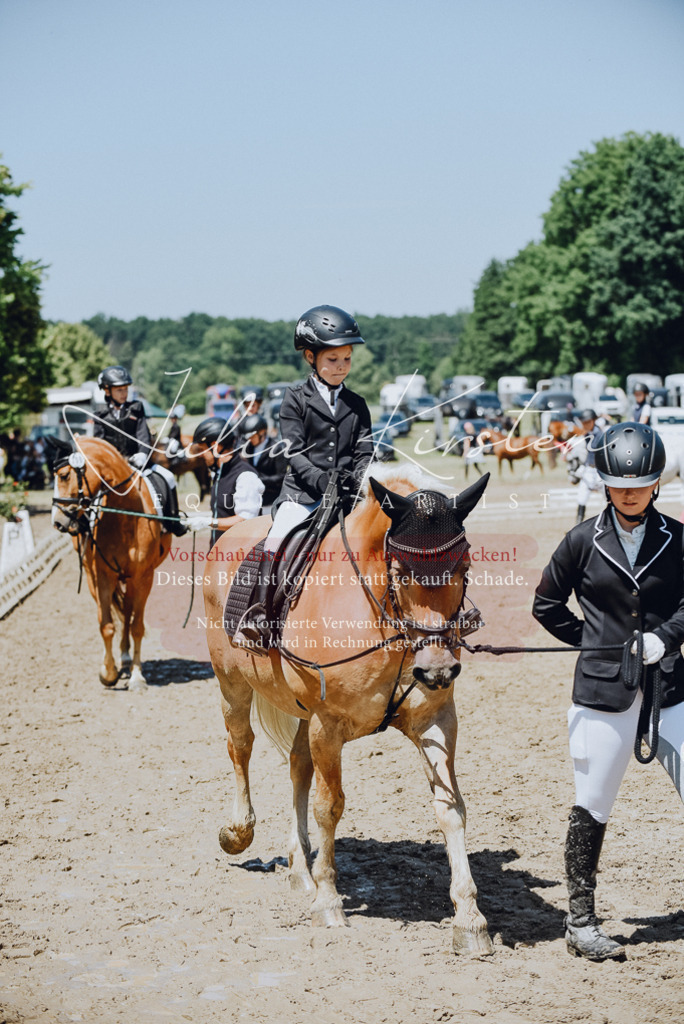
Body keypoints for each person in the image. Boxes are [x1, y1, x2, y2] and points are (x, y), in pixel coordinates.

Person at [533, 421, 684, 961]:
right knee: (592, 803)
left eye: (639, 485)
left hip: (669, 688)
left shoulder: (678, 538)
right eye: (619, 485)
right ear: (604, 484)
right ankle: (580, 921)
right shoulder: (581, 541)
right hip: (602, 692)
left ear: (656, 483)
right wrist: (594, 644)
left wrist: (667, 637)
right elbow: (546, 605)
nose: (629, 494)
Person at [233, 304, 375, 649]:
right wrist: (320, 480)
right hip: (303, 495)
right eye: (333, 359)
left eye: (347, 359)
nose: (341, 366)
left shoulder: (358, 404)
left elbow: (365, 451)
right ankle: (260, 616)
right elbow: (294, 452)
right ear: (310, 357)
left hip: (348, 494)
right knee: (277, 539)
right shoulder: (294, 399)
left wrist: (358, 481)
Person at [94, 365, 187, 536]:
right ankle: (86, 524)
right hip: (112, 468)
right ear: (107, 391)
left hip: (138, 462)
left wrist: (143, 453)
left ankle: (172, 521)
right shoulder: (100, 415)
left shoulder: (136, 408)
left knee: (168, 476)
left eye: (126, 389)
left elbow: (142, 434)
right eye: (119, 390)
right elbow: (99, 443)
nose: (124, 393)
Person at [186, 416, 264, 549]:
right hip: (219, 551)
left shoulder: (246, 476)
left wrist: (209, 522)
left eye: (202, 449)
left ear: (215, 446)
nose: (201, 455)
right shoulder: (219, 472)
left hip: (240, 553)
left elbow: (246, 520)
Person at [238, 413, 287, 509]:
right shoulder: (249, 448)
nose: (249, 439)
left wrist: (259, 479)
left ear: (262, 432)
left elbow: (281, 476)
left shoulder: (277, 448)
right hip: (254, 498)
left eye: (252, 436)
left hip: (272, 498)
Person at [571, 408, 604, 525]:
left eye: (586, 423)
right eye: (583, 423)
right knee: (582, 497)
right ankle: (578, 524)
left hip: (600, 471)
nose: (584, 425)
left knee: (609, 499)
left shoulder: (600, 435)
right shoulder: (586, 435)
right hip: (589, 469)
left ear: (592, 421)